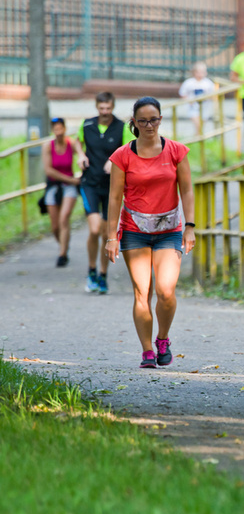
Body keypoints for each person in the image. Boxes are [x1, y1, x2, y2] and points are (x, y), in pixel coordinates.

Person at [105, 96, 195, 369]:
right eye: (142, 121)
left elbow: (188, 190)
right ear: (134, 122)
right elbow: (114, 198)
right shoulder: (123, 155)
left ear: (161, 119)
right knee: (141, 292)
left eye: (153, 119)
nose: (148, 125)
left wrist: (190, 227)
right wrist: (111, 236)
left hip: (169, 229)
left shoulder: (176, 151)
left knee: (166, 291)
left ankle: (163, 338)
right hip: (134, 230)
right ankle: (146, 351)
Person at [77, 91, 135, 294]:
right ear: (96, 107)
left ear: (113, 107)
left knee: (105, 233)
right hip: (90, 183)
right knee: (94, 229)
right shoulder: (87, 125)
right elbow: (77, 140)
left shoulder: (120, 127)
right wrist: (80, 153)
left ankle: (102, 274)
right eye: (101, 108)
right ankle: (91, 270)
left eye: (108, 108)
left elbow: (129, 149)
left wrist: (114, 161)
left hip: (112, 187)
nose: (105, 112)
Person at [41, 117, 84, 267]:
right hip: (54, 186)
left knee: (64, 218)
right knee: (55, 226)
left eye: (61, 129)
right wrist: (70, 179)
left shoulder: (70, 143)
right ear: (53, 130)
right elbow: (48, 170)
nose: (58, 132)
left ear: (64, 129)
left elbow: (81, 153)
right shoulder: (48, 146)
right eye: (56, 129)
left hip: (69, 187)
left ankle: (62, 254)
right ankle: (63, 245)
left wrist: (80, 162)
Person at [178, 61, 216, 137]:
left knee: (201, 125)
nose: (200, 74)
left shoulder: (208, 83)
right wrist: (188, 100)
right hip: (193, 107)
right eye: (198, 72)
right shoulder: (189, 83)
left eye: (202, 72)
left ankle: (197, 137)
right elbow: (183, 93)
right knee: (197, 123)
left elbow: (213, 94)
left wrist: (210, 98)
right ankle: (199, 138)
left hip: (205, 107)